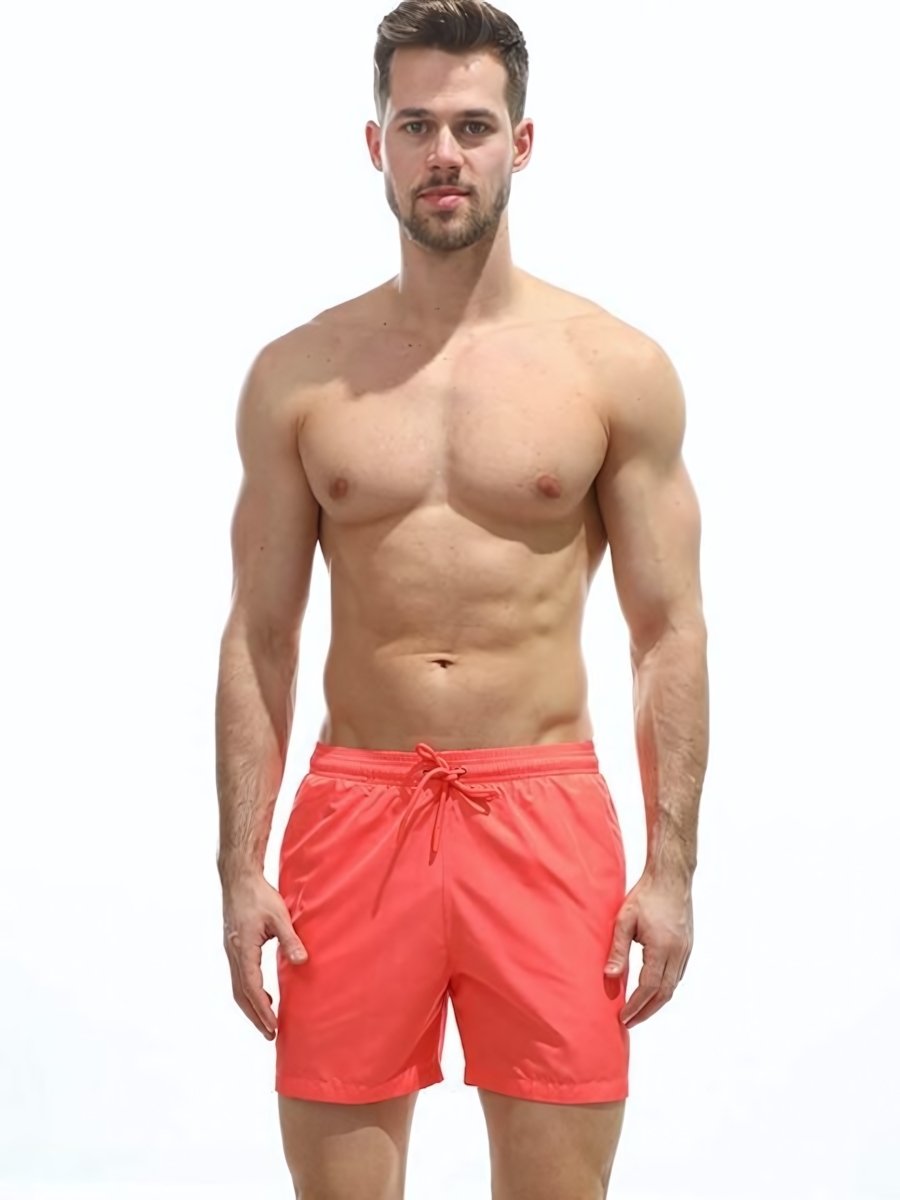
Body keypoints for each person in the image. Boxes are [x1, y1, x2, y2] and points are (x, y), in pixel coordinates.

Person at [215, 1, 709, 1196]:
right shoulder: (298, 376)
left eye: (474, 126)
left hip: (543, 816)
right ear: (375, 144)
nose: (446, 154)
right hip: (354, 816)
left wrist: (671, 871)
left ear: (520, 143)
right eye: (417, 125)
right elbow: (261, 636)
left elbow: (667, 634)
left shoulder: (613, 368)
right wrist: (239, 866)